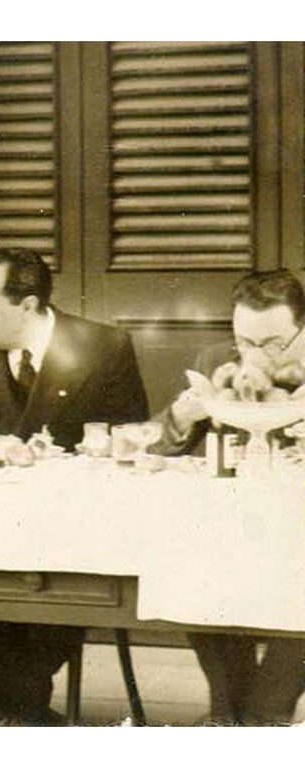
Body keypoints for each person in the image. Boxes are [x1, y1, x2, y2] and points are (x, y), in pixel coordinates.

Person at [0, 249, 149, 724]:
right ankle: (20, 716)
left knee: (30, 604)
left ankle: (12, 713)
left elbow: (128, 443)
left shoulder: (104, 346)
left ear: (28, 306)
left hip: (73, 533)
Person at [147, 269, 305, 725]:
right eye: (245, 342)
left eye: (274, 344)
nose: (257, 356)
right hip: (236, 527)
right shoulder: (217, 359)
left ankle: (262, 712)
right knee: (189, 559)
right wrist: (181, 414)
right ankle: (233, 709)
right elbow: (156, 440)